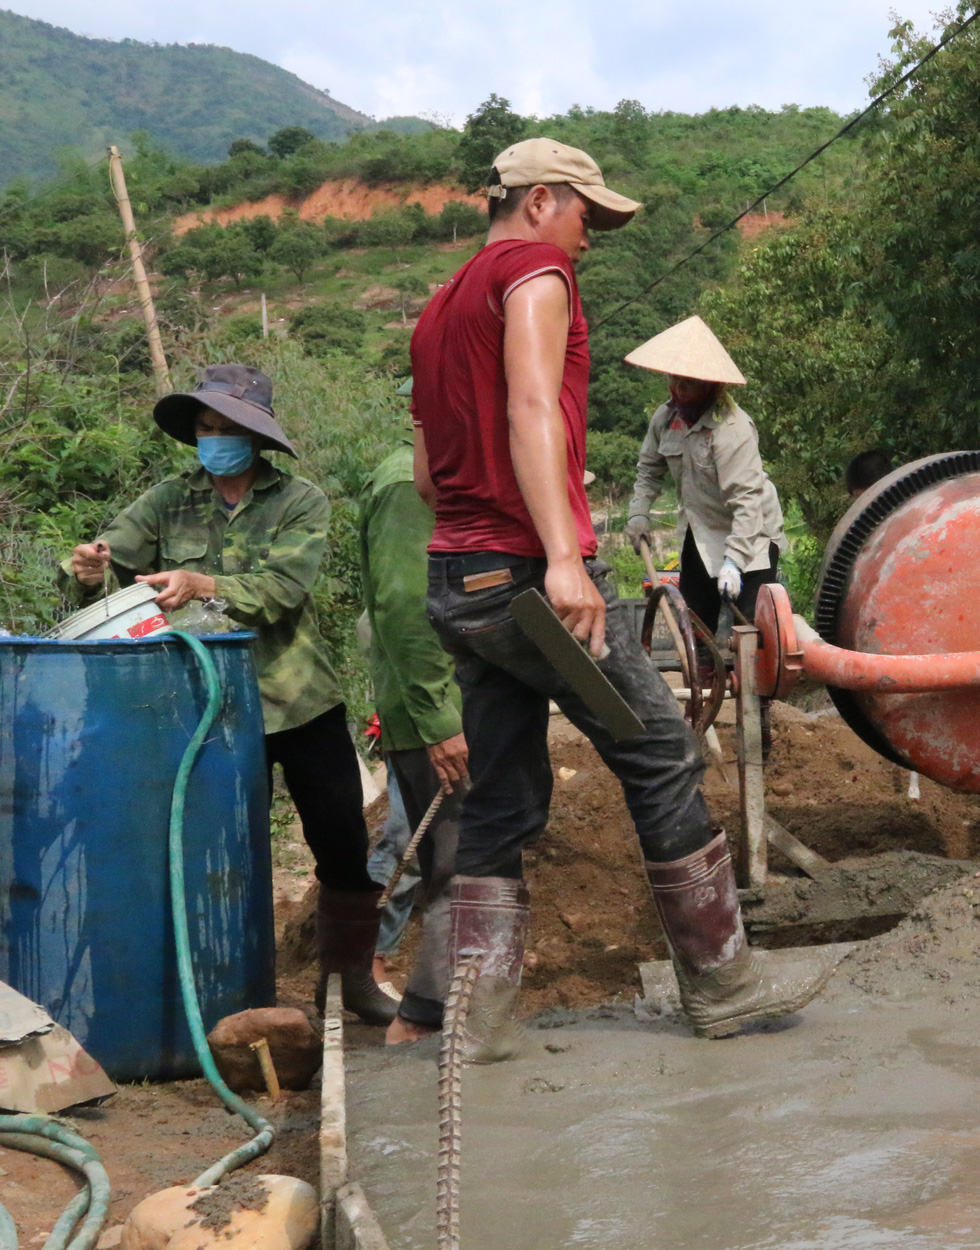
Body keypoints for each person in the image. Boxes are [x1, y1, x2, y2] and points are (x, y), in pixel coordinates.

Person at [411, 138, 836, 1058]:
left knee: (502, 795)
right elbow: (530, 408)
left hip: (460, 578)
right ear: (540, 201)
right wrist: (562, 556)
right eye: (584, 216)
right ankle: (725, 984)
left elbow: (424, 473)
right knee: (656, 755)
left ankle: (472, 1029)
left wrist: (487, 527)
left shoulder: (440, 305)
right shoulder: (535, 272)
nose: (588, 238)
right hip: (530, 582)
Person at [62, 364, 399, 1025]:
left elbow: (283, 590)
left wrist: (203, 583)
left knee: (338, 841)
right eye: (205, 427)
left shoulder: (299, 501)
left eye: (228, 428)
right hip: (205, 705)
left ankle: (350, 982)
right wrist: (90, 569)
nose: (214, 439)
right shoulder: (168, 498)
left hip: (297, 696)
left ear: (256, 436)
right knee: (218, 844)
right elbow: (114, 562)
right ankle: (227, 989)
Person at [357, 377, 469, 1044]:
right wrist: (440, 718)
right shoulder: (407, 483)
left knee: (431, 846)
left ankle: (411, 997)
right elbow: (404, 604)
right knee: (446, 857)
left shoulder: (439, 476)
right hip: (431, 707)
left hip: (440, 701)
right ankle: (424, 1018)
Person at [624, 316, 787, 638]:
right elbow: (649, 472)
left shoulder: (732, 428)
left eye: (689, 382)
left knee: (752, 632)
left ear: (711, 385)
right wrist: (639, 513)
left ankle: (752, 685)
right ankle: (706, 676)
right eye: (674, 378)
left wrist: (734, 561)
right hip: (698, 533)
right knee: (697, 627)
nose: (679, 388)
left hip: (751, 536)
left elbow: (747, 500)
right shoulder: (665, 417)